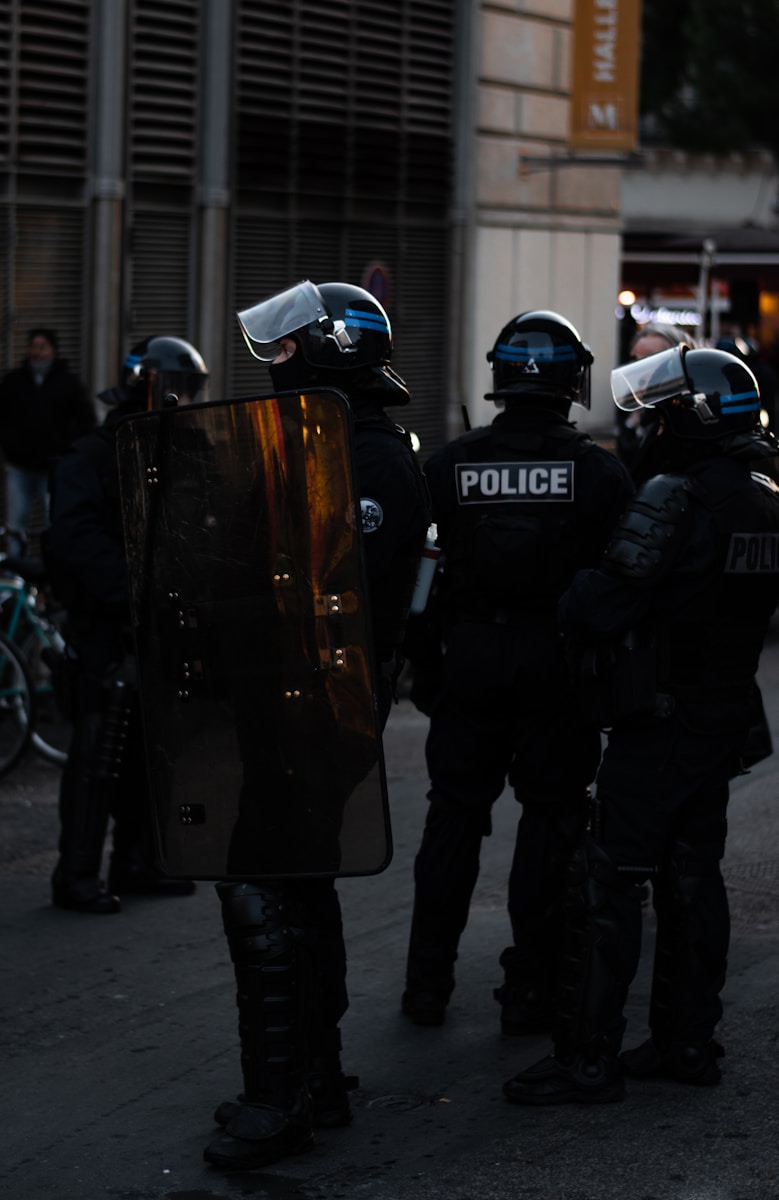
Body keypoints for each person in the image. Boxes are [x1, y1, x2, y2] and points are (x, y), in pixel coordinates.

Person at [503, 344, 779, 1107]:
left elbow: (600, 604)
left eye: (659, 411)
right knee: (692, 877)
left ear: (689, 417)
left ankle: (585, 1058)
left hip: (657, 720)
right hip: (720, 713)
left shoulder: (675, 496)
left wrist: (570, 586)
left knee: (608, 883)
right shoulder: (760, 492)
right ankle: (687, 1041)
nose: (648, 425)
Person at [203, 280, 430, 1170]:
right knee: (298, 891)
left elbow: (349, 600)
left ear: (331, 347)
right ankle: (314, 1078)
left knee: (266, 892)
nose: (275, 362)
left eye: (288, 347)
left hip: (319, 703)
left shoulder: (369, 457)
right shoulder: (311, 442)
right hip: (283, 697)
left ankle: (279, 1102)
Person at [400, 310, 634, 1033]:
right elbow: (620, 584)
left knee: (452, 820)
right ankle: (529, 988)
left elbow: (418, 576)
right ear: (573, 381)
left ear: (498, 377)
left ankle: (426, 985)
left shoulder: (449, 464)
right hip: (554, 666)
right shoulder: (597, 472)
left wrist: (423, 663)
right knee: (550, 820)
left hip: (468, 657)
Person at [44, 336, 210, 914]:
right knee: (98, 755)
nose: (187, 401)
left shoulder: (179, 451)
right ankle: (77, 875)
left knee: (151, 754)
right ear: (154, 387)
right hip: (106, 630)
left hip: (162, 629)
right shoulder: (93, 455)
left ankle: (137, 863)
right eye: (181, 389)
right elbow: (73, 539)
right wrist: (134, 593)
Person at [0, 327, 94, 556]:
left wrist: (68, 453)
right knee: (15, 527)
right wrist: (10, 447)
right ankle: (16, 573)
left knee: (55, 523)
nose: (37, 352)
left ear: (52, 350)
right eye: (33, 347)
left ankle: (53, 576)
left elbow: (85, 420)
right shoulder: (14, 381)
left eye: (42, 347)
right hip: (19, 466)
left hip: (53, 468)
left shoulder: (67, 382)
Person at [615, 322, 694, 483]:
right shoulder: (640, 410)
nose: (639, 369)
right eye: (636, 359)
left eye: (650, 359)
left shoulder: (685, 417)